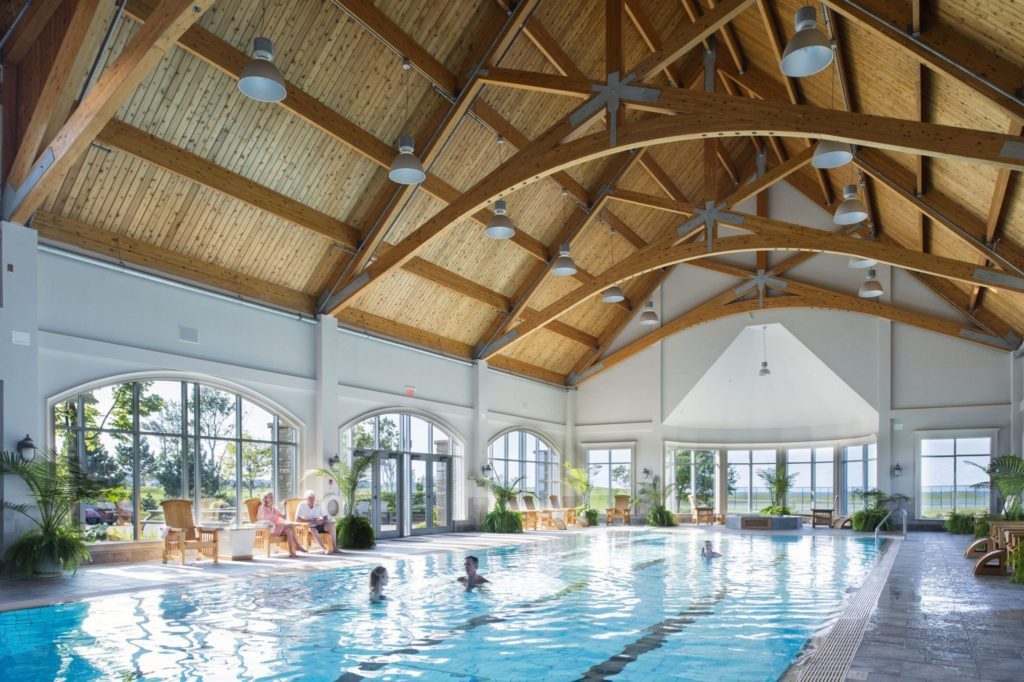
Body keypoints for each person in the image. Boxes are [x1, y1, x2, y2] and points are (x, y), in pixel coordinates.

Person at [257, 492, 304, 557]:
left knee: (289, 530)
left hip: (278, 528)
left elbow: (284, 517)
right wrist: (262, 505)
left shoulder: (274, 509)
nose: (272, 498)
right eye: (270, 497)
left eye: (272, 497)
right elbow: (259, 518)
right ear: (265, 499)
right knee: (291, 525)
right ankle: (298, 545)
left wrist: (285, 507)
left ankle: (291, 553)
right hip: (269, 530)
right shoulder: (261, 508)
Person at [294, 490, 338, 554]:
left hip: (319, 525)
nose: (312, 500)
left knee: (332, 526)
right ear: (306, 499)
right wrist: (313, 521)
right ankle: (324, 548)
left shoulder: (318, 505)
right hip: (308, 527)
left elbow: (325, 516)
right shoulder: (301, 505)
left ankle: (334, 547)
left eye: (313, 498)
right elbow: (297, 519)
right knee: (313, 530)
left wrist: (322, 520)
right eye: (310, 498)